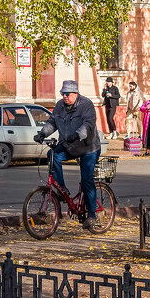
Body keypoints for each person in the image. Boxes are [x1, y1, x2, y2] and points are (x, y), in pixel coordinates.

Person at [33, 80, 101, 230]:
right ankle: (61, 188)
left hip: (88, 148)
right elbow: (52, 123)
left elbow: (88, 125)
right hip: (69, 146)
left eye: (67, 94)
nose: (64, 96)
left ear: (75, 94)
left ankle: (91, 215)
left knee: (86, 181)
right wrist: (42, 133)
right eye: (62, 93)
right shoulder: (59, 106)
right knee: (52, 154)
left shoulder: (86, 105)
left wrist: (77, 135)